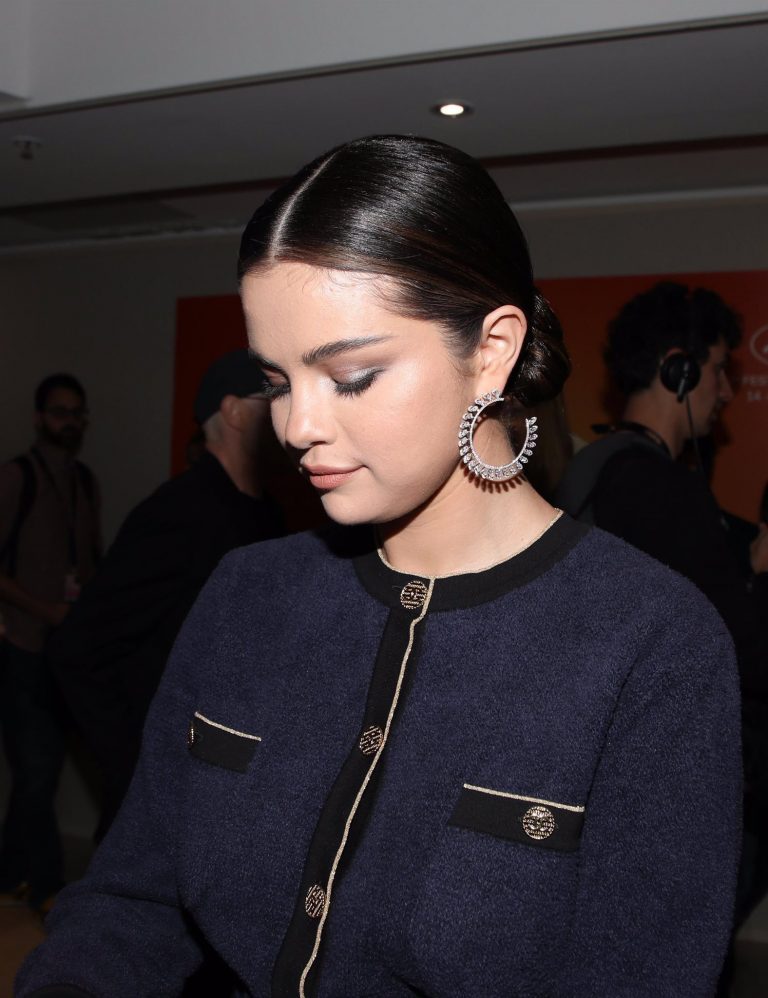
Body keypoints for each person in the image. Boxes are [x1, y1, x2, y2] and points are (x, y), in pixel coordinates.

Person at [17, 137, 740, 998]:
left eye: (351, 376)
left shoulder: (653, 644)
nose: (297, 427)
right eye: (278, 381)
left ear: (493, 349)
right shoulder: (247, 594)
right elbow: (133, 899)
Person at [47, 350, 285, 840]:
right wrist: (136, 762)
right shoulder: (180, 512)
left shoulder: (270, 517)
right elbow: (78, 647)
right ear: (234, 411)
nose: (290, 412)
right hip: (164, 799)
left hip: (229, 783)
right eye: (273, 397)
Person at [556, 282, 768, 700]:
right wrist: (762, 577)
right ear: (679, 370)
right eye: (718, 370)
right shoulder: (657, 486)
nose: (727, 392)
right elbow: (739, 658)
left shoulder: (600, 464)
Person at [0, 374, 101, 912]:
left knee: (40, 771)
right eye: (60, 412)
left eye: (77, 413)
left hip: (68, 652)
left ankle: (9, 871)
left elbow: (92, 559)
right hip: (22, 645)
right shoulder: (17, 476)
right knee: (36, 768)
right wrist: (45, 610)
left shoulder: (83, 480)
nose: (70, 421)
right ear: (40, 418)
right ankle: (46, 884)